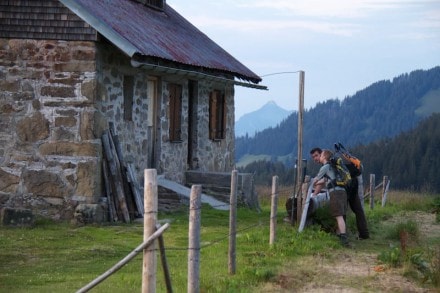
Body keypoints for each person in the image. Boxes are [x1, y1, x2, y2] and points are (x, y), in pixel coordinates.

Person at [311, 147, 369, 240]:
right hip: (350, 184)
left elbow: (321, 182)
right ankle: (363, 234)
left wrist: (313, 194)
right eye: (313, 157)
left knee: (341, 212)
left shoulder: (327, 166)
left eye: (317, 155)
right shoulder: (333, 163)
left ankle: (342, 235)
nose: (315, 158)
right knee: (357, 210)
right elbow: (325, 180)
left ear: (323, 154)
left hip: (344, 188)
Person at [312, 149, 350, 247]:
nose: (319, 157)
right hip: (342, 191)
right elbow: (325, 180)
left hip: (335, 193)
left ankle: (344, 239)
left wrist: (309, 182)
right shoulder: (332, 167)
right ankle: (339, 235)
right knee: (341, 214)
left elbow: (316, 180)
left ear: (324, 157)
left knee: (338, 216)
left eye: (320, 156)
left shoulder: (325, 167)